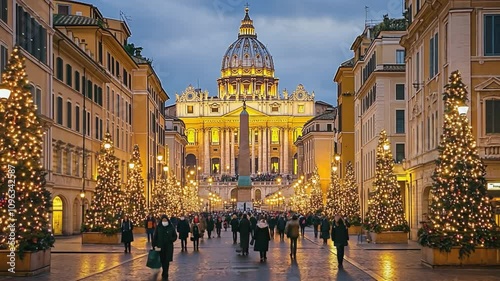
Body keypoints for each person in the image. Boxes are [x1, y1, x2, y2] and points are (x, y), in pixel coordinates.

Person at [152, 215, 178, 280]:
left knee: (167, 261)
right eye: (163, 220)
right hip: (160, 247)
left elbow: (175, 236)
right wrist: (154, 245)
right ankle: (164, 271)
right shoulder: (159, 227)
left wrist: (171, 239)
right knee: (162, 260)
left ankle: (165, 273)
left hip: (168, 247)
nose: (164, 221)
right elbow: (155, 237)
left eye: (165, 220)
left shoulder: (171, 227)